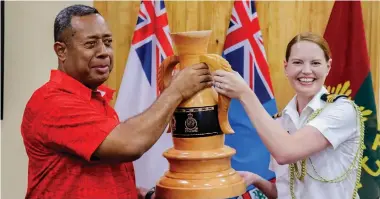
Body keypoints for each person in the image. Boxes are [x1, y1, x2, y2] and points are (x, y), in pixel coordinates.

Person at [20, 4, 212, 199]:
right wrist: (176, 91)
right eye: (90, 44)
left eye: (108, 42)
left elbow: (96, 174)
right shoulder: (52, 102)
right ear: (61, 51)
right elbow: (130, 144)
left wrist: (137, 194)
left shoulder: (95, 99)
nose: (104, 52)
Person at [213, 32, 364, 199]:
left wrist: (245, 94)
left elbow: (286, 152)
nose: (306, 71)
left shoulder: (343, 110)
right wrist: (257, 180)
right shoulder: (280, 121)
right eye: (297, 62)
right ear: (286, 67)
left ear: (328, 67)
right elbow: (285, 193)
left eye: (315, 63)